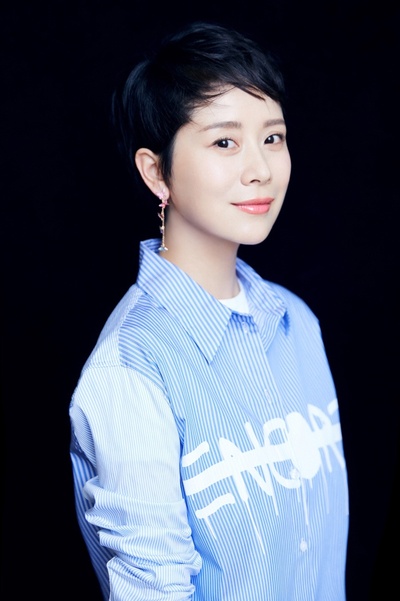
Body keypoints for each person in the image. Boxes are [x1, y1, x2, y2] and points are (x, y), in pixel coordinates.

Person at [69, 21, 349, 600]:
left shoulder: (298, 323)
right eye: (225, 142)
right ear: (156, 172)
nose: (260, 168)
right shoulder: (131, 368)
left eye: (273, 137)